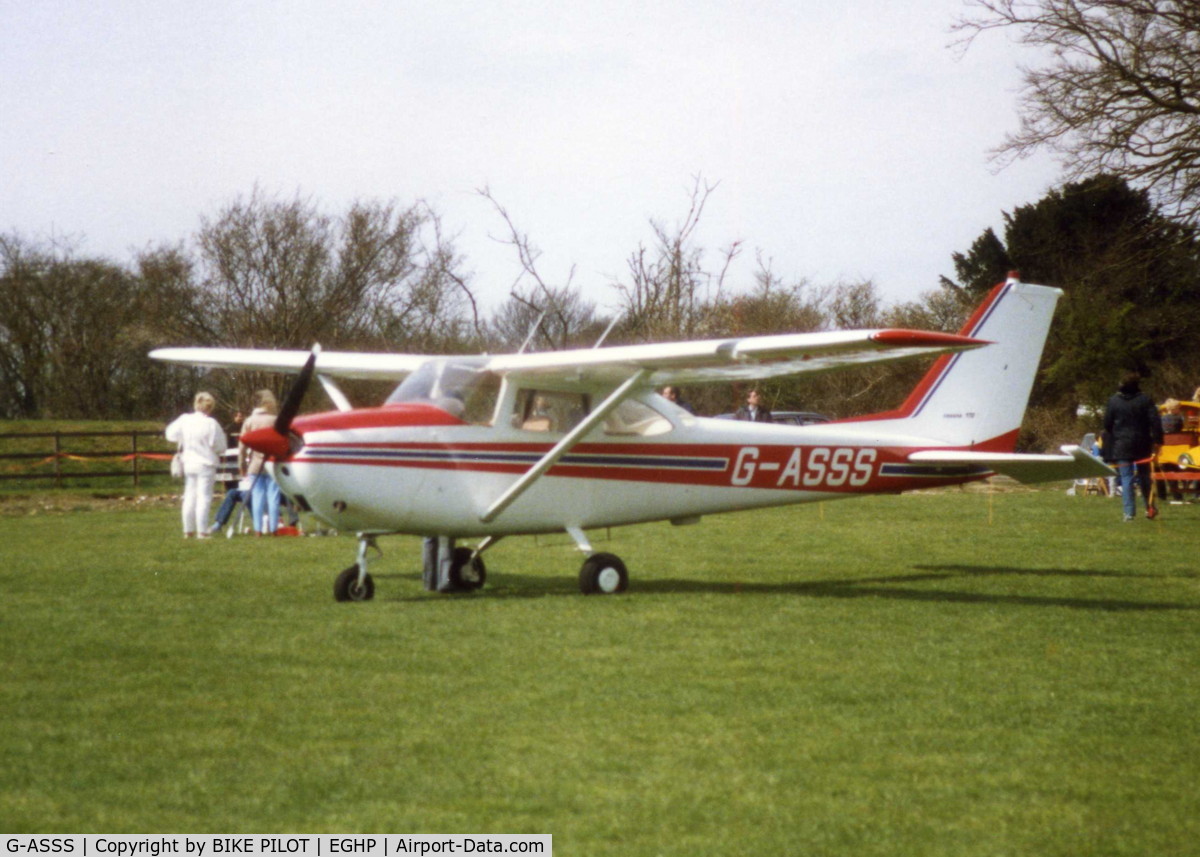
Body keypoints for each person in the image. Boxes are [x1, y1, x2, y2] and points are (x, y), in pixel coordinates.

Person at [165, 391, 228, 538]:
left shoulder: (185, 419)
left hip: (189, 463)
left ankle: (188, 530)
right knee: (204, 497)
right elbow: (220, 446)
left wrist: (183, 438)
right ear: (210, 407)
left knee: (189, 496)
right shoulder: (211, 423)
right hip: (205, 464)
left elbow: (170, 434)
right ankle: (202, 531)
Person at [1103, 372, 1163, 521]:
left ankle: (1129, 513)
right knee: (1144, 477)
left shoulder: (1113, 401)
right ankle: (1150, 508)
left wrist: (1115, 435)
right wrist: (1158, 440)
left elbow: (1107, 424)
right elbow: (1155, 422)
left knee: (1126, 477)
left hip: (1122, 443)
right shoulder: (1145, 400)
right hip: (1142, 442)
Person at [240, 390, 282, 535]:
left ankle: (258, 529)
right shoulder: (276, 420)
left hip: (255, 464)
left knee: (257, 496)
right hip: (273, 463)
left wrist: (242, 467)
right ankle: (274, 528)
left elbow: (242, 447)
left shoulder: (249, 421)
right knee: (273, 496)